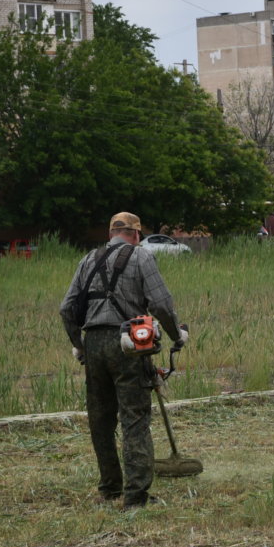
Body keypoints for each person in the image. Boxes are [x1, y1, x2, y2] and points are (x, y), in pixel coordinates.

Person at [59, 212, 186, 509]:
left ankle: (110, 487)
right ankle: (136, 497)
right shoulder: (141, 257)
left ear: (111, 233)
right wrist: (176, 336)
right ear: (136, 234)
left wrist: (79, 346)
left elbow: (66, 309)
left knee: (101, 420)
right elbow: (161, 304)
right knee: (135, 419)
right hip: (129, 343)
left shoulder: (88, 259)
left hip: (93, 343)